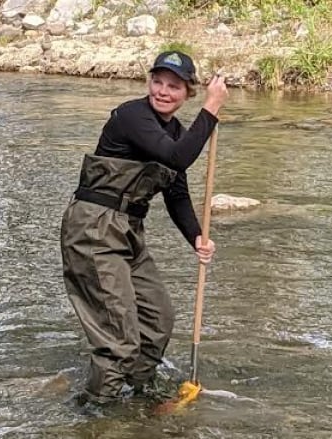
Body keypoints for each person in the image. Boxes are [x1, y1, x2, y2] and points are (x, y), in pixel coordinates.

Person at [60, 51, 228, 405]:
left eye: (174, 86)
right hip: (93, 228)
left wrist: (197, 236)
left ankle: (137, 396)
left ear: (187, 94)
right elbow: (177, 158)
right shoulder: (132, 115)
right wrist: (212, 108)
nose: (163, 91)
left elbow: (177, 194)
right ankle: (96, 413)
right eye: (157, 82)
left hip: (129, 230)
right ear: (148, 82)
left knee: (158, 320)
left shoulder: (175, 132)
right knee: (118, 336)